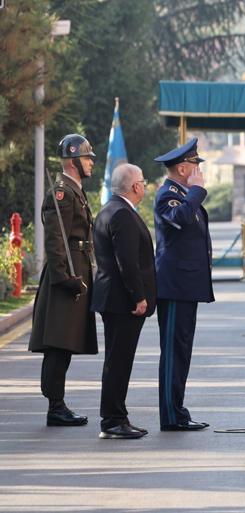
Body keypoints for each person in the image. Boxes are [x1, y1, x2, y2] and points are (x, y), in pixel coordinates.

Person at [28, 133, 98, 427]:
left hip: (76, 268)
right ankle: (55, 406)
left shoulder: (74, 190)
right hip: (65, 276)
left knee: (66, 343)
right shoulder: (62, 193)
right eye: (86, 158)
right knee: (58, 344)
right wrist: (66, 277)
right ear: (72, 162)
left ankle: (58, 404)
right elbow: (56, 241)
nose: (91, 163)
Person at [91, 163, 156, 439]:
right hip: (123, 302)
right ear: (134, 186)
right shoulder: (122, 215)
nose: (145, 185)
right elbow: (126, 262)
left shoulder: (109, 210)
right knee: (119, 361)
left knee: (117, 360)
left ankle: (118, 416)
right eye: (143, 181)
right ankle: (113, 420)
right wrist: (139, 296)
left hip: (114, 299)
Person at [153, 137, 214, 431]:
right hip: (175, 287)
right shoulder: (169, 195)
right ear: (181, 169)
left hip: (186, 287)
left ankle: (177, 410)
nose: (198, 170)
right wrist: (197, 192)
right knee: (174, 353)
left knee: (182, 351)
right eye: (194, 164)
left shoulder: (182, 193)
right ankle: (170, 415)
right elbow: (179, 219)